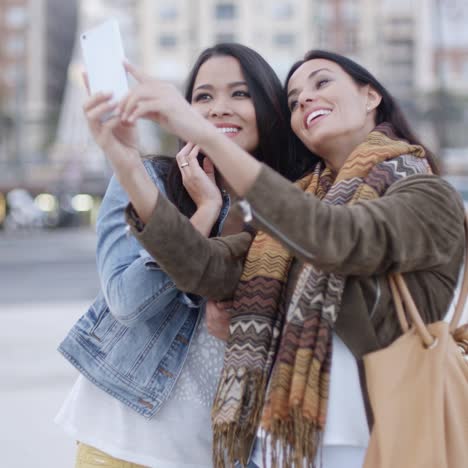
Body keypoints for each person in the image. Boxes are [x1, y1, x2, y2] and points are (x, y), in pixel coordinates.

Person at [93, 50, 465, 467]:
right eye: (293, 99)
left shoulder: (427, 195)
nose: (305, 98)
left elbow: (333, 236)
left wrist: (208, 134)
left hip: (382, 437)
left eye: (321, 83)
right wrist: (128, 167)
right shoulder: (300, 200)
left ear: (370, 96)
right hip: (285, 447)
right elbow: (208, 268)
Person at [55, 43, 310, 468]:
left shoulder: (289, 204)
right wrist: (204, 214)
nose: (219, 109)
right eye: (203, 97)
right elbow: (126, 302)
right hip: (122, 442)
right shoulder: (145, 179)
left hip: (225, 451)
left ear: (269, 106)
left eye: (240, 94)